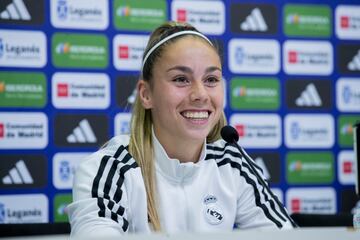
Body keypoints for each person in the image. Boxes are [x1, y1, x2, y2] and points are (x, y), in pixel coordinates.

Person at [68, 21, 296, 236]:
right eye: (180, 79)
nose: (200, 95)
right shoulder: (110, 168)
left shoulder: (232, 162)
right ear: (146, 94)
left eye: (211, 79)